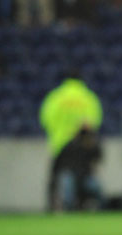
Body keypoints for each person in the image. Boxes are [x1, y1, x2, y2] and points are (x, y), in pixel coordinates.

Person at [39, 70, 103, 211]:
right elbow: (95, 121)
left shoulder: (55, 97)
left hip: (59, 145)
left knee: (59, 177)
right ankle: (82, 204)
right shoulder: (88, 97)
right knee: (84, 177)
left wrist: (58, 133)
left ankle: (56, 207)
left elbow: (45, 119)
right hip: (82, 147)